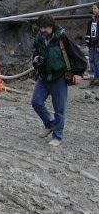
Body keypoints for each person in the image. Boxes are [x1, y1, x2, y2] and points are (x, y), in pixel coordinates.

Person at [32, 15, 86, 146]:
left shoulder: (62, 37)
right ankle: (50, 124)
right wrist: (35, 59)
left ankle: (58, 136)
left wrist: (79, 73)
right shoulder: (39, 37)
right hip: (44, 77)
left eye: (45, 28)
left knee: (59, 109)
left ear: (51, 26)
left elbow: (77, 55)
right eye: (41, 28)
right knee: (36, 102)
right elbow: (35, 52)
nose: (43, 30)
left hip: (59, 77)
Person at [86, 3, 99, 81]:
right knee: (91, 60)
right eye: (93, 9)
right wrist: (88, 42)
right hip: (92, 43)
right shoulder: (92, 20)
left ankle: (98, 77)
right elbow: (90, 32)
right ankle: (95, 76)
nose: (93, 10)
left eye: (95, 8)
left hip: (97, 44)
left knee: (97, 61)